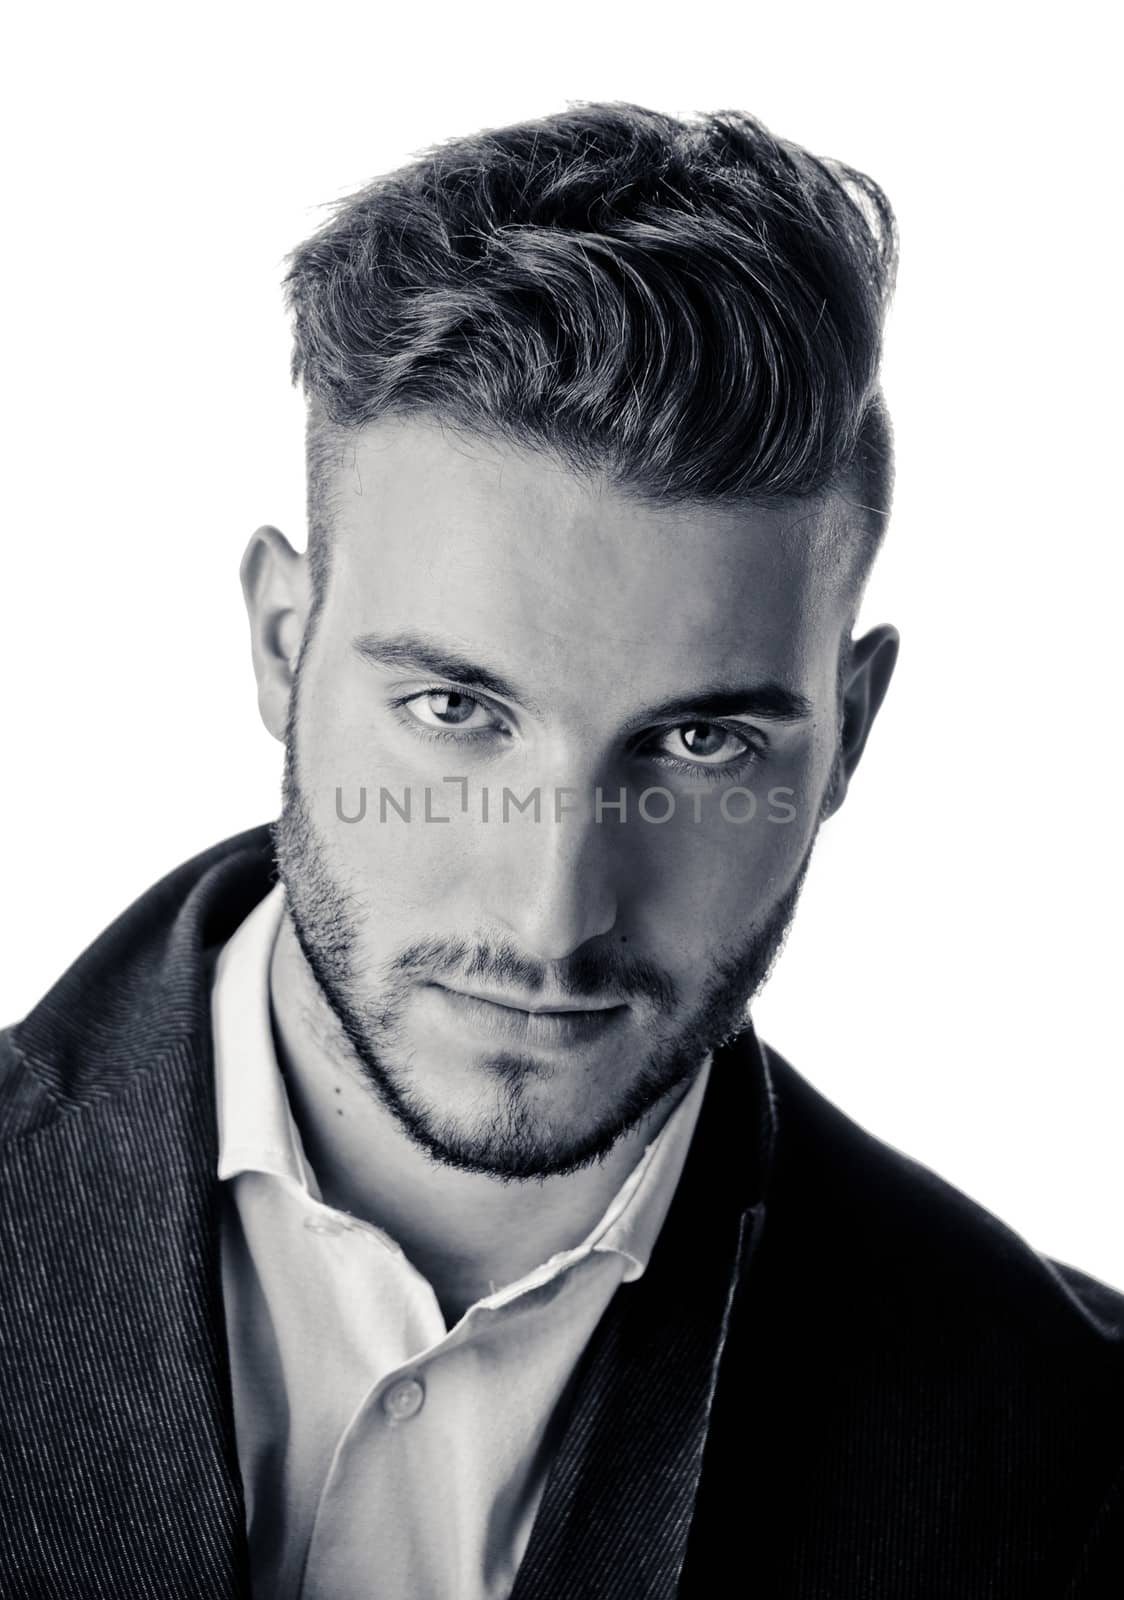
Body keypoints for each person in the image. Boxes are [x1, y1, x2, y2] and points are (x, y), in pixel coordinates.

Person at [0, 101, 1119, 1600]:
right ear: (283, 641)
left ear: (848, 731)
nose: (555, 910)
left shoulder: (1071, 1461)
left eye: (701, 743)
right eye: (456, 710)